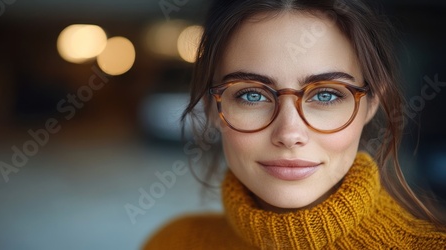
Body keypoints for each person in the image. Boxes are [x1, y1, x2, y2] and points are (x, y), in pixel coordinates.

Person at [143, 0, 446, 249]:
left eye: (326, 95)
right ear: (211, 105)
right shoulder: (173, 242)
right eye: (251, 95)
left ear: (371, 104)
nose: (289, 134)